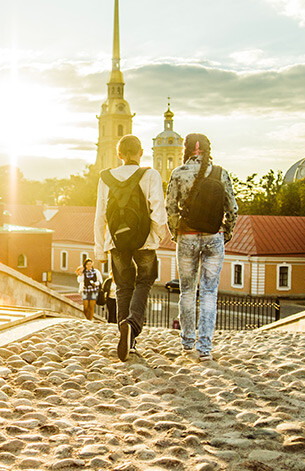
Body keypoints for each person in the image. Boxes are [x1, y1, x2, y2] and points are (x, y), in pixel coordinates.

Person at [165, 132, 238, 361]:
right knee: (208, 293)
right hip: (213, 238)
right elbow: (232, 208)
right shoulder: (220, 173)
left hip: (187, 236)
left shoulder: (178, 173)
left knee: (187, 291)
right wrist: (226, 232)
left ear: (186, 150)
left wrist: (176, 233)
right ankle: (204, 348)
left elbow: (170, 208)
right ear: (207, 149)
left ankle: (187, 342)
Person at [94, 135, 167, 362]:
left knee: (123, 287)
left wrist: (100, 250)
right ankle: (132, 324)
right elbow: (158, 209)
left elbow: (100, 215)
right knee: (144, 282)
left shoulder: (105, 178)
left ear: (119, 154)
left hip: (116, 240)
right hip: (144, 240)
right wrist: (158, 235)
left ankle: (127, 339)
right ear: (141, 152)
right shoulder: (150, 174)